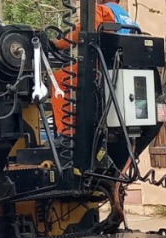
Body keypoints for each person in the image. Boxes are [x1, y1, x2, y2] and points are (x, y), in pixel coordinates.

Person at [50, 0, 141, 137]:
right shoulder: (126, 17)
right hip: (120, 69)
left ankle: (67, 132)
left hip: (99, 66)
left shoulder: (102, 10)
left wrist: (60, 44)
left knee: (58, 80)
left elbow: (82, 32)